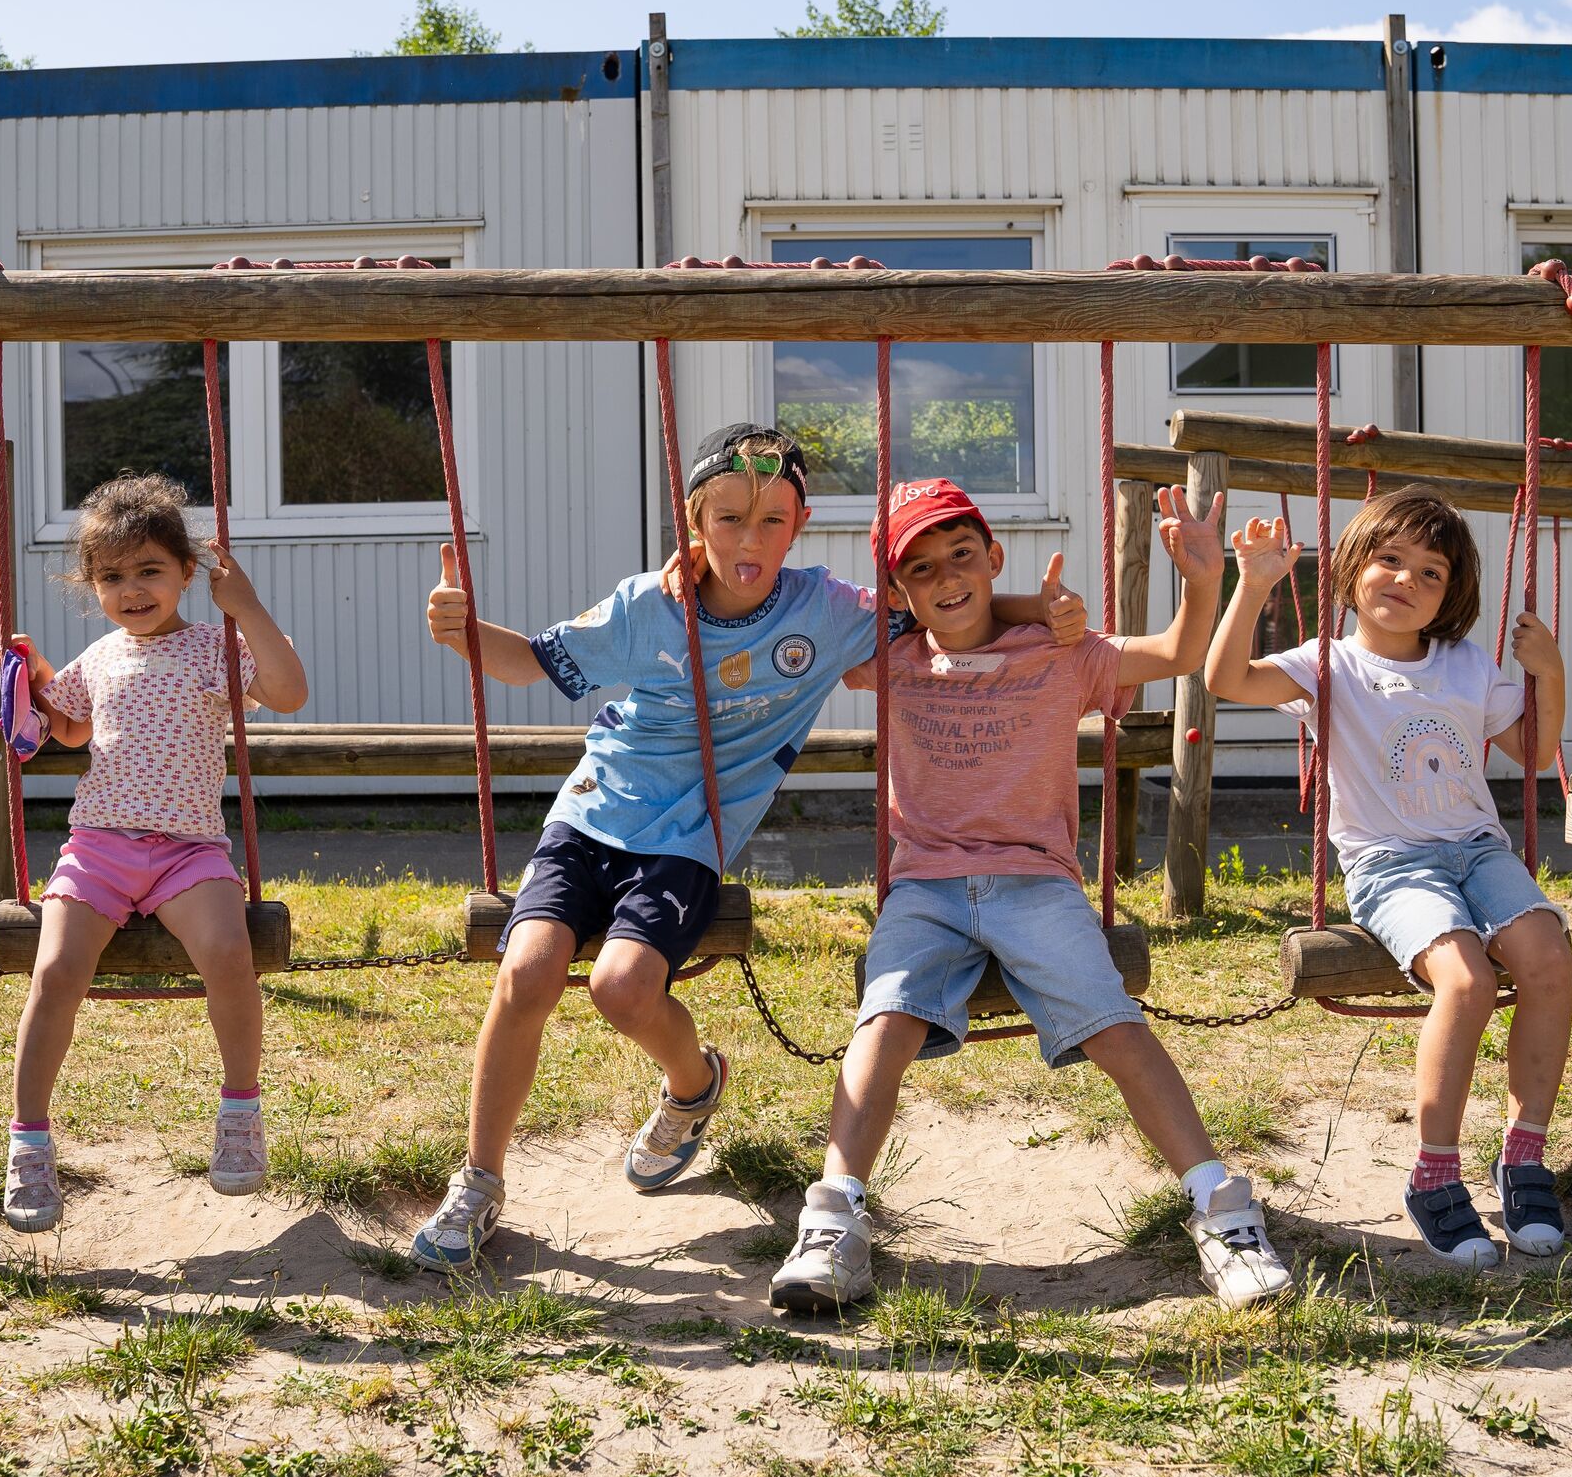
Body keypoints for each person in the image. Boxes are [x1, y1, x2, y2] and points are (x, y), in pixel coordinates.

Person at [411, 427, 1083, 1271]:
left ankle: (693, 1085)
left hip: (691, 836)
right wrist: (464, 631)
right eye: (728, 518)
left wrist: (1036, 611)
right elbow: (529, 662)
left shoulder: (825, 613)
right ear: (695, 526)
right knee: (527, 971)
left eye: (771, 519)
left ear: (799, 525)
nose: (749, 539)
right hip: (589, 813)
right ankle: (479, 1180)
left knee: (622, 987)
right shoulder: (648, 606)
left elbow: (942, 608)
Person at [766, 477, 1294, 1313]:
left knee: (1116, 1025)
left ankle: (1221, 1207)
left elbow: (1177, 653)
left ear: (994, 555)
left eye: (962, 555)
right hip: (926, 887)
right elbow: (798, 618)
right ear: (899, 593)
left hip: (1036, 882)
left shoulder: (1063, 651)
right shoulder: (890, 660)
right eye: (921, 568)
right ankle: (833, 1217)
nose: (947, 577)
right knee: (884, 1020)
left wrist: (1203, 580)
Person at [1204, 485, 1571, 1270]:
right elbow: (1226, 679)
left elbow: (1535, 751)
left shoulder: (1465, 666)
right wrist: (1254, 585)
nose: (1406, 579)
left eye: (1430, 572)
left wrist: (1550, 672)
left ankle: (1523, 1154)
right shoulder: (1327, 665)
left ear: (1450, 596)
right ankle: (1434, 1172)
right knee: (1467, 981)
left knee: (1548, 957)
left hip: (1479, 851)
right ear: (1352, 567)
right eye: (1391, 559)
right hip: (1391, 861)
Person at [2, 475, 309, 1233]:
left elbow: (288, 691)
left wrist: (247, 607)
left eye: (149, 570)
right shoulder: (101, 657)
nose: (132, 590)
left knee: (228, 953)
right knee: (55, 971)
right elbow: (68, 727)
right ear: (93, 585)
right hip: (99, 844)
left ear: (186, 572)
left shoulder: (214, 648)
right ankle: (29, 1141)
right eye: (112, 576)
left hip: (187, 850)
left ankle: (240, 1110)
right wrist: (34, 680)